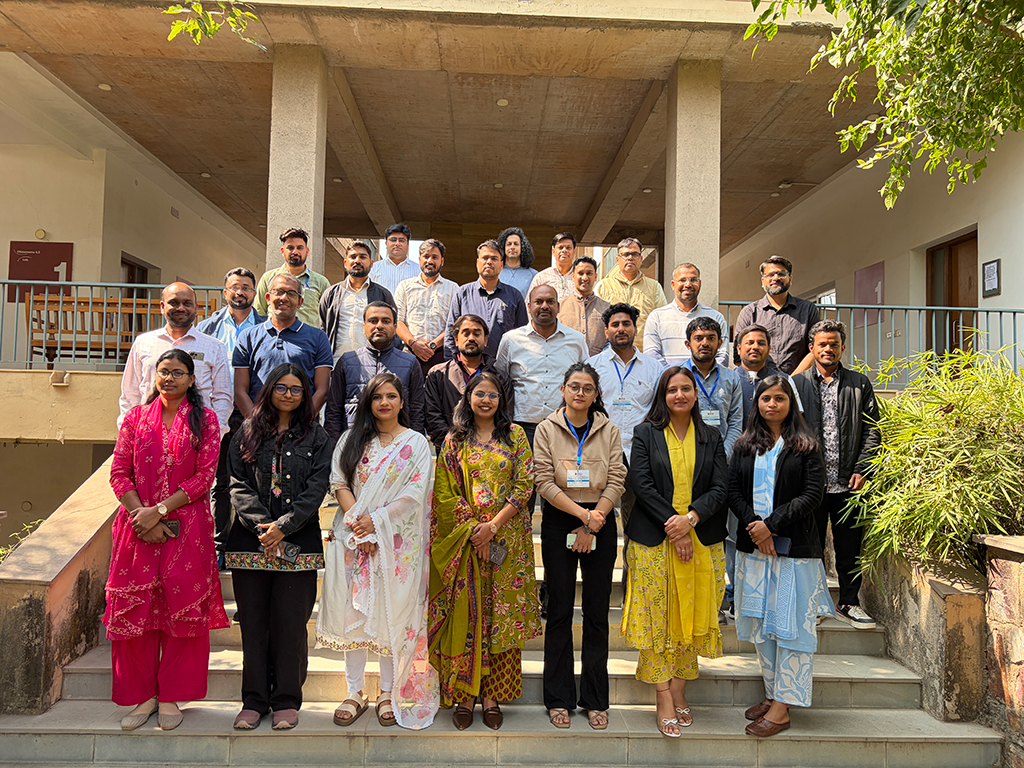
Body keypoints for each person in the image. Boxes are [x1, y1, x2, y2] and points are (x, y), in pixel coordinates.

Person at [106, 349, 228, 732]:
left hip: (187, 528)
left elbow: (204, 477)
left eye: (178, 372)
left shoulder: (205, 420)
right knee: (136, 612)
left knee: (182, 610)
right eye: (163, 371)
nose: (169, 378)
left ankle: (172, 695)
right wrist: (142, 516)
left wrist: (158, 511)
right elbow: (119, 472)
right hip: (136, 528)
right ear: (154, 376)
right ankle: (143, 696)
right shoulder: (135, 419)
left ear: (191, 379)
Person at [316, 373, 439, 730]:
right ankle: (354, 692)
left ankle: (388, 692)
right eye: (377, 397)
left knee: (390, 615)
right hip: (352, 540)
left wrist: (377, 523)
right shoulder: (351, 439)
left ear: (402, 402)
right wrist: (360, 526)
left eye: (391, 396)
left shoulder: (416, 443)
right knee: (352, 615)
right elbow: (338, 482)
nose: (384, 402)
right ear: (368, 403)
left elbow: (415, 492)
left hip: (396, 545)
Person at [429, 371, 542, 730]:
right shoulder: (454, 439)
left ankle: (492, 696)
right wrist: (474, 531)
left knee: (500, 618)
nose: (486, 400)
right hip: (465, 541)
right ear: (468, 397)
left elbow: (525, 484)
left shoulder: (516, 436)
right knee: (468, 614)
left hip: (508, 542)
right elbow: (444, 490)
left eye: (493, 394)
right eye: (480, 393)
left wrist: (492, 527)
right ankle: (465, 694)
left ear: (501, 400)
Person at [622, 366, 729, 737]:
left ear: (696, 394)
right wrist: (674, 525)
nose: (680, 395)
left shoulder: (711, 436)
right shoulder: (645, 433)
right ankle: (663, 695)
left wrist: (691, 519)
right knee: (657, 617)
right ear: (662, 395)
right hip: (653, 539)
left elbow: (720, 486)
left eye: (686, 388)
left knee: (693, 614)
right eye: (672, 390)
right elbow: (641, 484)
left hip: (702, 540)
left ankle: (680, 687)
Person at [226, 364, 331, 731]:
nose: (288, 394)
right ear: (269, 390)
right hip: (250, 544)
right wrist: (264, 528)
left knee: (290, 626)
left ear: (305, 394)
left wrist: (283, 528)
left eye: (296, 389)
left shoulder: (317, 437)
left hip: (298, 543)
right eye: (282, 387)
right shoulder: (246, 433)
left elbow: (317, 488)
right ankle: (254, 701)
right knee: (254, 626)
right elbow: (237, 485)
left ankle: (286, 699)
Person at [728, 375, 832, 737]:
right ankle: (773, 693)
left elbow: (812, 495)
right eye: (765, 398)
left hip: (795, 553)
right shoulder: (745, 445)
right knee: (762, 626)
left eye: (779, 398)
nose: (772, 404)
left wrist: (771, 526)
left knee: (791, 628)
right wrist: (755, 529)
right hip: (755, 551)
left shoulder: (806, 446)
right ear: (756, 403)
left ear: (791, 403)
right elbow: (733, 491)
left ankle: (783, 708)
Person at [533, 362, 626, 731]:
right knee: (558, 610)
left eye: (587, 388)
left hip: (601, 517)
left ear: (595, 394)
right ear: (563, 390)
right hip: (560, 518)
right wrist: (582, 517)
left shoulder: (609, 430)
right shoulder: (546, 428)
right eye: (574, 386)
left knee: (596, 612)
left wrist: (594, 519)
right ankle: (558, 698)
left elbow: (617, 477)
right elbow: (543, 480)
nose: (580, 393)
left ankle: (595, 699)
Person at [794, 320, 880, 630]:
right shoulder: (797, 384)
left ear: (842, 347)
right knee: (811, 546)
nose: (828, 349)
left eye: (834, 344)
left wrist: (862, 468)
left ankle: (849, 603)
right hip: (811, 485)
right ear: (811, 348)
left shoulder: (859, 384)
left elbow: (873, 430)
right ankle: (815, 603)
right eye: (822, 344)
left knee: (849, 548)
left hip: (848, 483)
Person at [586, 303, 664, 595]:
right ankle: (597, 588)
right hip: (600, 456)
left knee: (636, 524)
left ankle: (633, 589)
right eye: (615, 324)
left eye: (626, 324)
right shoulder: (592, 367)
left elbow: (659, 413)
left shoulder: (655, 369)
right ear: (606, 331)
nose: (621, 329)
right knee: (596, 520)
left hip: (640, 457)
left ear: (635, 328)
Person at [197, 267, 266, 569]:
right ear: (225, 292)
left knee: (255, 480)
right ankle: (220, 547)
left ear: (255, 293)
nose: (240, 292)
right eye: (235, 287)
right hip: (216, 413)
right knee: (220, 482)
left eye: (246, 287)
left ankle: (253, 543)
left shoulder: (265, 327)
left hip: (254, 412)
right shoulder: (207, 328)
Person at [118, 281, 232, 434]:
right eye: (174, 303)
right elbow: (130, 394)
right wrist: (129, 433)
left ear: (196, 308)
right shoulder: (143, 343)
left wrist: (214, 434)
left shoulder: (214, 347)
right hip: (148, 434)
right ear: (162, 306)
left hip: (196, 433)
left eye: (187, 303)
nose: (181, 308)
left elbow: (223, 396)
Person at [494, 284, 588, 449]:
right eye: (539, 302)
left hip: (565, 426)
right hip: (522, 427)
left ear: (558, 306)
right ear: (529, 307)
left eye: (550, 301)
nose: (544, 306)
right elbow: (499, 382)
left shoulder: (576, 340)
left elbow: (586, 380)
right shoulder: (511, 340)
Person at [233, 274, 334, 417]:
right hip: (259, 424)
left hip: (302, 426)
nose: (284, 298)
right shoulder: (248, 337)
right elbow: (240, 391)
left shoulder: (318, 337)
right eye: (279, 292)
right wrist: (255, 424)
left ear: (300, 302)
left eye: (291, 294)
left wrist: (301, 424)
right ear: (268, 298)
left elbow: (322, 391)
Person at [324, 301, 426, 441]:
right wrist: (335, 446)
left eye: (386, 321)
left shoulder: (410, 363)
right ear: (364, 327)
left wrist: (414, 445)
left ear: (394, 327)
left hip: (398, 445)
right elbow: (333, 411)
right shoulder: (347, 362)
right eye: (373, 321)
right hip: (354, 443)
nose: (379, 326)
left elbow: (417, 412)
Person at [424, 314, 514, 450]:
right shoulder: (438, 374)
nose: (471, 338)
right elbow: (432, 417)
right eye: (466, 334)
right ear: (456, 340)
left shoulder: (500, 377)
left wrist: (486, 447)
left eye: (477, 334)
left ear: (485, 340)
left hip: (490, 453)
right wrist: (452, 445)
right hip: (450, 451)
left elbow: (505, 416)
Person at [732, 255, 820, 375]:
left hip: (799, 381)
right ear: (763, 281)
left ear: (790, 279)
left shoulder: (808, 309)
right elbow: (739, 354)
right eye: (770, 275)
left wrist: (793, 380)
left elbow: (815, 348)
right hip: (759, 382)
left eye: (781, 274)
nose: (776, 278)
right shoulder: (749, 312)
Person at [444, 240, 528, 359]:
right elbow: (451, 333)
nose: (489, 262)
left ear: (501, 265)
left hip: (502, 366)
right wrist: (454, 364)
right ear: (477, 263)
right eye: (485, 258)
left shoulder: (514, 296)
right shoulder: (462, 294)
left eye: (494, 259)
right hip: (468, 366)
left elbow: (523, 336)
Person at [319, 241, 396, 361]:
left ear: (371, 263)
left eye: (362, 257)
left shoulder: (383, 295)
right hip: (336, 362)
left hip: (373, 363)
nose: (357, 261)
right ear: (345, 263)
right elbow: (323, 330)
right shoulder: (331, 294)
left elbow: (392, 332)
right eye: (353, 257)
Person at [643, 263, 728, 368]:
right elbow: (651, 354)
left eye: (693, 280)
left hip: (707, 378)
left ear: (700, 283)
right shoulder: (657, 317)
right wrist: (675, 376)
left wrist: (702, 375)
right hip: (668, 378)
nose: (688, 284)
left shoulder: (716, 317)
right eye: (682, 280)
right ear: (673, 285)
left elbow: (722, 355)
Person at [681, 317, 743, 460]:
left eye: (711, 338)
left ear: (719, 343)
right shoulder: (676, 376)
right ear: (688, 344)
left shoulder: (732, 378)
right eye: (698, 338)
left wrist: (723, 456)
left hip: (722, 458)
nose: (705, 343)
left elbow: (735, 422)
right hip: (684, 457)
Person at [395, 238, 458, 375]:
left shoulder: (453, 288)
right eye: (426, 256)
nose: (430, 261)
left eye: (435, 257)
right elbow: (398, 321)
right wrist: (414, 344)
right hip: (410, 352)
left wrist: (433, 345)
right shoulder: (405, 286)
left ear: (442, 261)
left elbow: (454, 324)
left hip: (441, 354)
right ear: (419, 260)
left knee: (439, 389)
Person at [595, 237, 667, 352]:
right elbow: (597, 323)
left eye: (635, 254)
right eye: (625, 254)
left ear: (641, 259)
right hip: (612, 353)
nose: (630, 258)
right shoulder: (603, 286)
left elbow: (663, 321)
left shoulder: (654, 287)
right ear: (617, 259)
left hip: (644, 353)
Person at [255, 227, 331, 327]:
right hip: (275, 336)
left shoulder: (321, 282)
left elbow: (329, 317)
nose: (295, 252)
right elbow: (259, 314)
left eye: (299, 248)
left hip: (306, 336)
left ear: (307, 251)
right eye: (290, 248)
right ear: (282, 251)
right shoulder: (268, 278)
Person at [735, 324, 803, 424]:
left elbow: (796, 417)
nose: (755, 347)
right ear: (739, 349)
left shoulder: (785, 380)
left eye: (761, 343)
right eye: (750, 343)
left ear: (769, 349)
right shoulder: (727, 379)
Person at [558, 256, 610, 356]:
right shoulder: (560, 308)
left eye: (589, 273)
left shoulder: (607, 308)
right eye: (580, 273)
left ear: (596, 276)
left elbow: (611, 340)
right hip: (566, 363)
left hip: (599, 363)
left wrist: (601, 358)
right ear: (573, 276)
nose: (585, 278)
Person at [369, 223, 422, 296]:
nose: (397, 244)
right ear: (386, 243)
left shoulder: (419, 271)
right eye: (393, 240)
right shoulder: (373, 269)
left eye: (401, 240)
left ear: (408, 244)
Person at [528, 232, 577, 302]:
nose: (564, 250)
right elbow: (529, 303)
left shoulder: (580, 277)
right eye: (560, 248)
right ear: (553, 252)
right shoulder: (541, 277)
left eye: (568, 248)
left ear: (574, 251)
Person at [497, 226, 538, 298]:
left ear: (522, 247)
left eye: (516, 244)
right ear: (503, 247)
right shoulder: (495, 272)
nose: (512, 247)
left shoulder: (534, 275)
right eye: (509, 244)